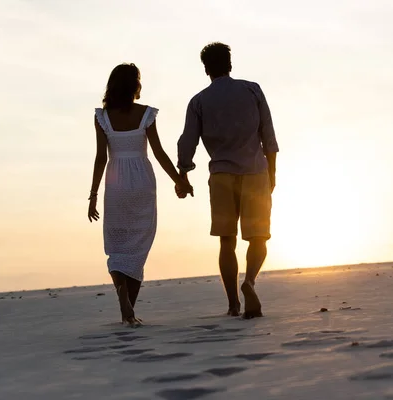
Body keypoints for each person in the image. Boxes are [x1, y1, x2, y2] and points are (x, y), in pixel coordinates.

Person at [177, 43, 279, 319]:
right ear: (230, 64)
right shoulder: (252, 90)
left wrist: (183, 174)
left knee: (226, 241)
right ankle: (250, 282)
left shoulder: (199, 101)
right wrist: (272, 171)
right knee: (258, 238)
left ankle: (234, 303)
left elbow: (188, 141)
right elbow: (268, 133)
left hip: (221, 174)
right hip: (255, 170)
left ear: (206, 68)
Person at [88, 63, 192, 327]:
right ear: (135, 85)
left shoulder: (103, 116)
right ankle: (129, 311)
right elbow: (158, 152)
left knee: (117, 245)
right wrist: (179, 180)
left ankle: (125, 305)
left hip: (116, 183)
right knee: (138, 244)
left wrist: (93, 195)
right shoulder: (146, 114)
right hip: (143, 181)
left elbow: (101, 157)